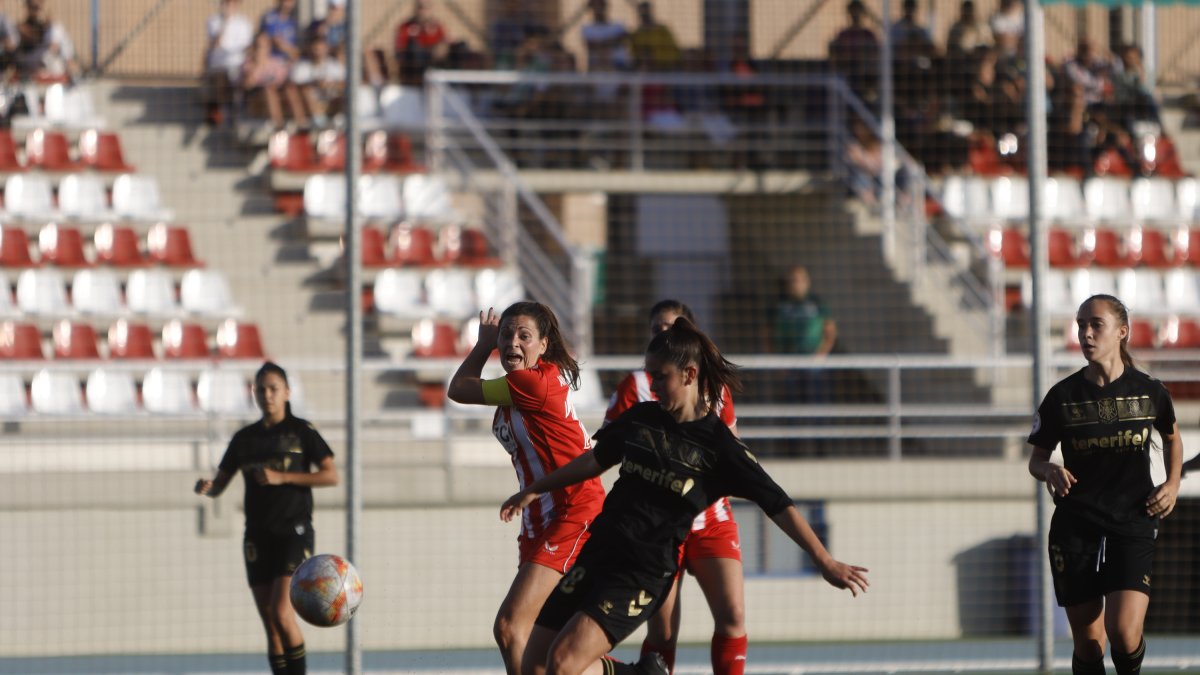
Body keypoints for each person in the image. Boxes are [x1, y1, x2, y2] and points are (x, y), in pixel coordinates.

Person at [501, 317, 869, 675]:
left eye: (661, 376)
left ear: (690, 375)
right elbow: (592, 462)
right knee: (536, 663)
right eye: (650, 375)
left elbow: (778, 504)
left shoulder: (718, 447)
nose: (653, 385)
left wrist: (825, 561)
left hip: (640, 574)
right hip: (598, 554)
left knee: (563, 665)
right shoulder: (641, 417)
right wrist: (535, 489)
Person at [447, 302, 606, 675]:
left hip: (573, 510)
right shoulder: (515, 393)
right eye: (504, 334)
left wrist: (483, 344)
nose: (512, 342)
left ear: (544, 345)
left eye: (523, 336)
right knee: (542, 644)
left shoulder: (532, 383)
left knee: (510, 627)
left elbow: (458, 388)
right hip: (539, 517)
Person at [1027, 294, 1182, 675]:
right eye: (1081, 325)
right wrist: (1049, 471)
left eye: (1096, 324)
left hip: (1133, 520)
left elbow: (1173, 438)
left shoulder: (1151, 391)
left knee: (1123, 632)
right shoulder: (1061, 398)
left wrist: (1173, 482)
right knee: (1090, 640)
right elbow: (1036, 459)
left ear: (1122, 332)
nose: (1086, 333)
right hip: (1076, 526)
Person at [603, 300, 747, 675]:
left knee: (733, 615)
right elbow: (606, 450)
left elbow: (735, 453)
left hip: (711, 520)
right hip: (660, 525)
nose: (664, 334)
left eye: (672, 326)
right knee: (664, 631)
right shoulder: (636, 386)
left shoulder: (714, 387)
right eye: (656, 329)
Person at [195, 362, 339, 675]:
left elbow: (331, 475)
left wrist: (282, 477)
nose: (267, 395)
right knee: (270, 625)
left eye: (273, 388)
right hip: (257, 536)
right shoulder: (245, 438)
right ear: (254, 393)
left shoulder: (302, 432)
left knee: (281, 613)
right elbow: (221, 483)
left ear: (287, 392)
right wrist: (209, 487)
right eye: (261, 389)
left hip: (293, 532)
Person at [769, 265, 837, 403]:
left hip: (813, 363)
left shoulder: (816, 303)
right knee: (791, 404)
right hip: (787, 363)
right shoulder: (779, 304)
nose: (797, 284)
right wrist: (774, 360)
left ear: (807, 282)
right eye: (793, 280)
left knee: (816, 402)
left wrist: (821, 355)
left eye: (800, 280)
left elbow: (830, 332)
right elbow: (766, 334)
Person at [203, 0, 255, 126]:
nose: (230, 5)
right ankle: (221, 113)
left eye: (233, 3)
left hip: (238, 64)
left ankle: (235, 113)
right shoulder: (213, 21)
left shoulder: (244, 23)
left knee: (242, 79)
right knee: (221, 79)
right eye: (227, 2)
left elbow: (248, 47)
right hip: (219, 65)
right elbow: (216, 43)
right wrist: (225, 22)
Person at [828, 0, 879, 104]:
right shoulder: (843, 35)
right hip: (848, 72)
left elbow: (874, 56)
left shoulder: (869, 35)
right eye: (853, 11)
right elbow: (837, 56)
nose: (855, 15)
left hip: (865, 75)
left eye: (858, 11)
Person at [14, 0, 78, 83]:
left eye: (38, 7)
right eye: (33, 7)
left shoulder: (54, 29)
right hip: (32, 77)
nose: (36, 11)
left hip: (52, 77)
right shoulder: (21, 30)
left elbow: (64, 55)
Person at [394, 0, 449, 86]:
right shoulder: (406, 27)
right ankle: (421, 81)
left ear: (431, 10)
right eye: (420, 8)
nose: (423, 11)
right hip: (413, 69)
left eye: (426, 8)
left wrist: (440, 47)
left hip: (433, 63)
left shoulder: (437, 27)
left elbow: (446, 43)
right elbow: (399, 51)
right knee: (413, 47)